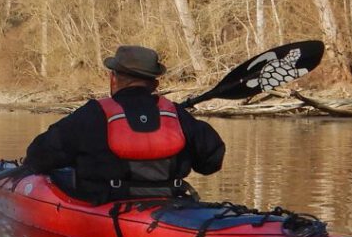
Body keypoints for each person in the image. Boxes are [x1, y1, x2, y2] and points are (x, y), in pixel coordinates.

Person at [23, 45, 226, 202]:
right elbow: (211, 163)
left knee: (62, 174)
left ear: (113, 78)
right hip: (170, 202)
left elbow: (38, 156)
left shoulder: (93, 114)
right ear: (155, 84)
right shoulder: (177, 115)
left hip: (105, 208)